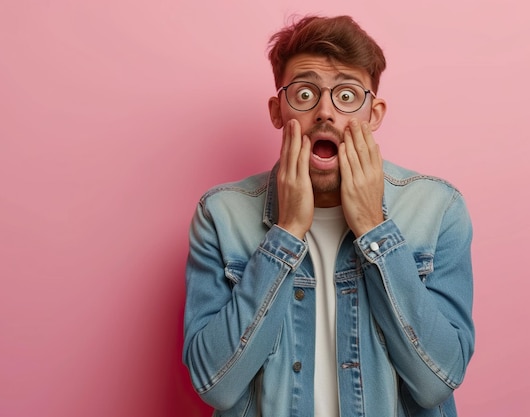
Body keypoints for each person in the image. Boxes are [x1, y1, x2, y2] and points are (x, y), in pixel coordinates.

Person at [182, 15, 474, 417]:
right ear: (276, 111)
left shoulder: (438, 210)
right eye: (304, 94)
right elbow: (216, 384)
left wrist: (374, 228)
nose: (324, 112)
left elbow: (437, 382)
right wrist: (286, 233)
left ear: (373, 114)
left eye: (347, 95)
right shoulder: (220, 215)